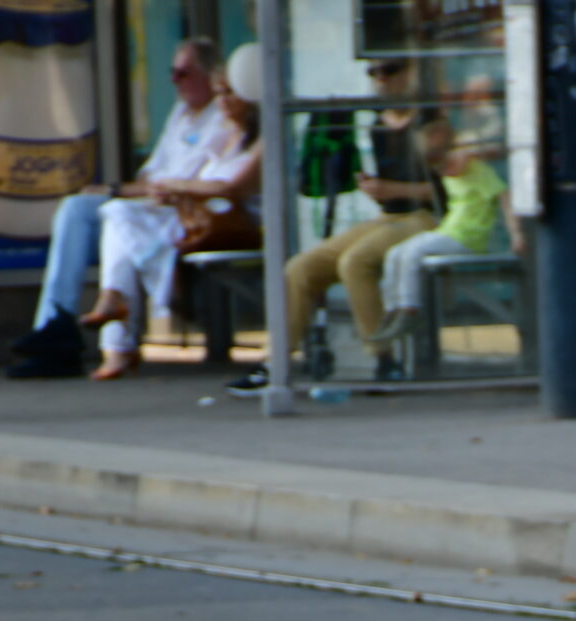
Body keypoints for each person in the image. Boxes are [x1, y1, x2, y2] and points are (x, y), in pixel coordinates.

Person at [7, 36, 230, 379]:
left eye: (183, 73)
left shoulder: (221, 117)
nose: (174, 80)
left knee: (116, 217)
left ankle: (117, 341)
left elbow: (172, 187)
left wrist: (118, 192)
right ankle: (55, 322)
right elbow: (151, 178)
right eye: (172, 72)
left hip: (185, 211)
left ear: (208, 75)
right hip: (150, 204)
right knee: (77, 208)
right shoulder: (181, 115)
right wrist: (116, 190)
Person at [233, 58, 446, 391]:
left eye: (389, 71)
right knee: (301, 268)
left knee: (355, 261)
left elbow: (446, 188)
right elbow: (386, 188)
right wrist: (375, 188)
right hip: (390, 214)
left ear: (410, 73)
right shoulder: (378, 123)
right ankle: (276, 363)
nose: (381, 81)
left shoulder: (431, 121)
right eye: (374, 73)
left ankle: (383, 358)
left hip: (427, 216)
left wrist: (394, 190)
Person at [74, 55, 260, 381]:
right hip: (197, 218)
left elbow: (230, 188)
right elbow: (194, 176)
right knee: (116, 212)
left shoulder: (264, 138)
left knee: (119, 217)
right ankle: (122, 310)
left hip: (234, 221)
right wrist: (175, 192)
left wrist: (176, 186)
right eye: (220, 93)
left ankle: (123, 327)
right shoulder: (225, 133)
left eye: (231, 92)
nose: (224, 102)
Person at [368, 143, 517, 351]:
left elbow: (503, 194)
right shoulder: (448, 177)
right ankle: (392, 309)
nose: (444, 172)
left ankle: (410, 309)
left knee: (413, 252)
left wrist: (516, 233)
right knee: (395, 253)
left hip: (468, 236)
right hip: (449, 231)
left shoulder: (477, 171)